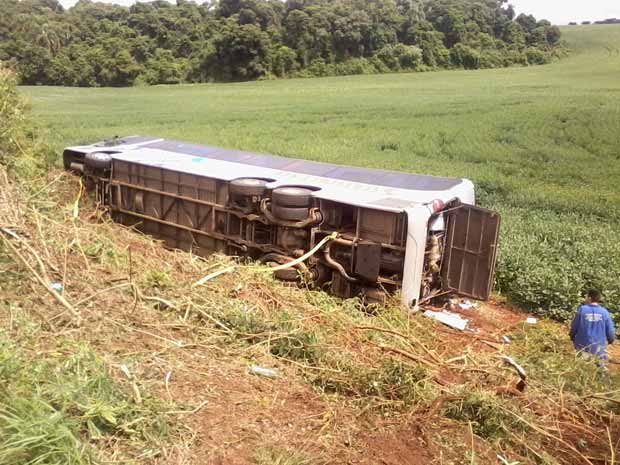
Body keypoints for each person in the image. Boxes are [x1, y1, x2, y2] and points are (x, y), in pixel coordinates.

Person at [569, 289, 615, 362]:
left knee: (582, 369)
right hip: (599, 348)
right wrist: (611, 340)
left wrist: (571, 336)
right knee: (601, 370)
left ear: (589, 298)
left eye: (586, 296)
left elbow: (574, 326)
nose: (585, 298)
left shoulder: (582, 310)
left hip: (583, 346)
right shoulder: (604, 312)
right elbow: (610, 330)